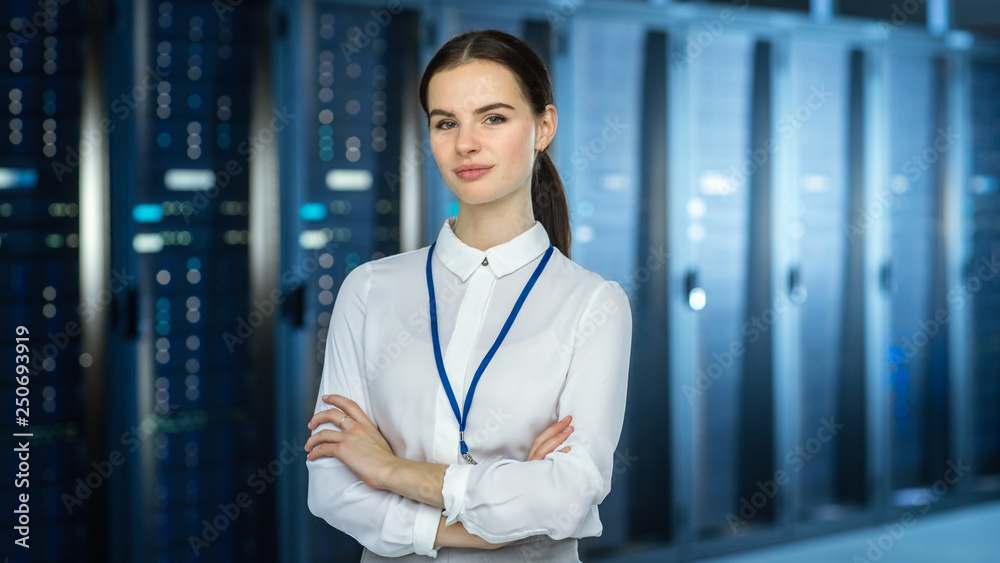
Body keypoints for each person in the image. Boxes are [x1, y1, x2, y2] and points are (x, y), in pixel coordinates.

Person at [304, 28, 632, 562]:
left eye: (494, 118)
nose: (465, 144)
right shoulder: (369, 290)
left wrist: (390, 470)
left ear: (543, 126)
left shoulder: (593, 304)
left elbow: (570, 495)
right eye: (446, 123)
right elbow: (332, 488)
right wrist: (512, 501)